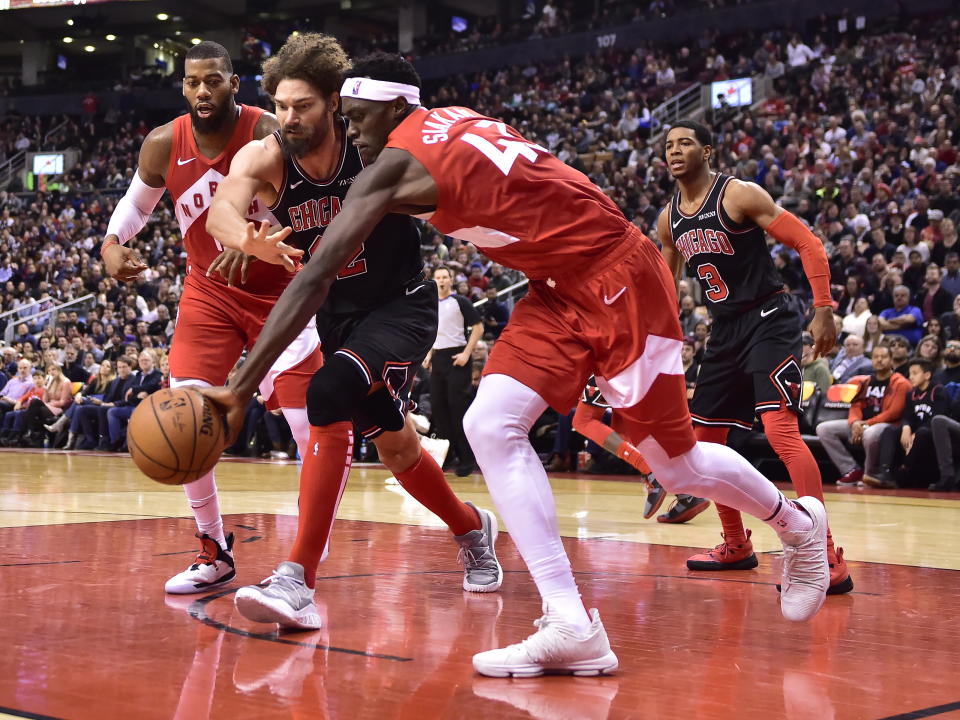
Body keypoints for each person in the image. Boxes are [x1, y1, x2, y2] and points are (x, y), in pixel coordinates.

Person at [203, 53, 831, 678]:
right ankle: (569, 622)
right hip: (557, 287)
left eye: (360, 118)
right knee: (490, 425)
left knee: (678, 463)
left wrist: (238, 387)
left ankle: (796, 525)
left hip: (618, 276)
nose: (354, 132)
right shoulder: (444, 121)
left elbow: (315, 275)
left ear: (395, 109)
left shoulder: (395, 162)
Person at [204, 35, 500, 630]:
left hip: (401, 305)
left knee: (326, 394)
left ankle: (297, 579)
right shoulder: (266, 157)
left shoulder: (373, 147)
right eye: (282, 105)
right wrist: (247, 239)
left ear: (335, 104)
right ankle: (471, 527)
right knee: (394, 444)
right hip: (336, 314)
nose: (289, 118)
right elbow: (221, 210)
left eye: (304, 106)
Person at [99, 41, 324, 594]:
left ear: (234, 83)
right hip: (210, 294)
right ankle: (213, 548)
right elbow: (135, 207)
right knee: (189, 415)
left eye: (214, 81)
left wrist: (254, 241)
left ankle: (298, 564)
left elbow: (310, 210)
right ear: (183, 86)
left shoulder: (266, 130)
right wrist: (110, 244)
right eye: (194, 82)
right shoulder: (162, 143)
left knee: (306, 426)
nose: (204, 91)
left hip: (282, 292)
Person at [659, 121, 851, 593]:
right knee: (704, 443)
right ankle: (735, 543)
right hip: (724, 329)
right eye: (667, 145)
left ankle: (823, 551)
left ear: (707, 149)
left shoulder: (738, 195)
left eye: (685, 142)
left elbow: (808, 241)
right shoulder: (669, 220)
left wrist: (823, 308)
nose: (674, 150)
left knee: (780, 430)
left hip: (770, 317)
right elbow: (664, 287)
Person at [815, 345, 911, 487]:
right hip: (863, 424)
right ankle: (851, 469)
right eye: (876, 357)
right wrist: (855, 423)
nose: (879, 360)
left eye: (883, 357)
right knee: (823, 429)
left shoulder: (901, 383)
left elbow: (894, 412)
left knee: (870, 434)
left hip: (888, 426)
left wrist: (866, 424)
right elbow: (856, 405)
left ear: (891, 360)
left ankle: (870, 474)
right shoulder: (866, 381)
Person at [424, 266, 483, 476]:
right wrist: (429, 354)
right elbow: (432, 332)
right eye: (438, 277)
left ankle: (467, 458)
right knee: (439, 409)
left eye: (445, 277)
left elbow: (478, 327)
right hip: (438, 358)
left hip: (457, 357)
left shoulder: (460, 301)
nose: (441, 280)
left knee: (458, 408)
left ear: (451, 280)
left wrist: (467, 353)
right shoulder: (430, 304)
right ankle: (447, 456)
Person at [881, 359, 946, 489]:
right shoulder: (911, 393)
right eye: (910, 373)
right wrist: (906, 428)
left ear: (927, 375)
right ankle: (884, 472)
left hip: (932, 432)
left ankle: (904, 470)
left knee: (922, 433)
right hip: (915, 431)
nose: (911, 377)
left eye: (915, 373)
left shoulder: (937, 391)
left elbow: (938, 416)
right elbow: (907, 415)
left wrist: (914, 435)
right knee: (889, 430)